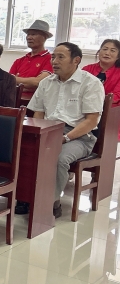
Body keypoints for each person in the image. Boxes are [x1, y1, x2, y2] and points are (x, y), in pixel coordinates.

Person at [26, 42, 104, 218]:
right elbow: (38, 113)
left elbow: (91, 121)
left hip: (79, 136)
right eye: (53, 57)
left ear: (76, 60)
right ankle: (25, 197)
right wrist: (41, 134)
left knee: (60, 158)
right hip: (48, 130)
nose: (54, 61)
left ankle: (51, 203)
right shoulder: (46, 82)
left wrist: (65, 138)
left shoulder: (90, 83)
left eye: (60, 57)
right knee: (24, 151)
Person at [9, 19, 53, 94]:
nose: (29, 37)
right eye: (28, 34)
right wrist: (29, 84)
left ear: (45, 37)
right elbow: (8, 82)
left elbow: (39, 82)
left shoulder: (51, 59)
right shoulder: (19, 61)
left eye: (33, 34)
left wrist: (16, 80)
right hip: (14, 99)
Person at [82, 39, 120, 107]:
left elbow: (116, 96)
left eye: (112, 51)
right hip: (83, 106)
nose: (107, 53)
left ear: (118, 56)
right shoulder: (87, 69)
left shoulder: (118, 73)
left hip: (107, 109)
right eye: (105, 49)